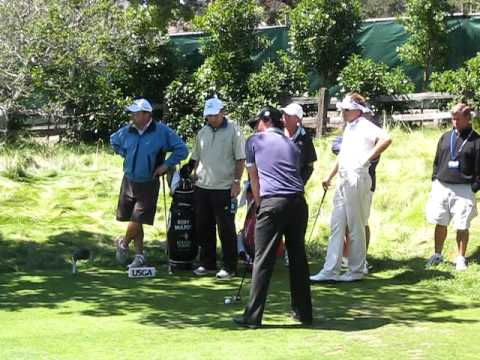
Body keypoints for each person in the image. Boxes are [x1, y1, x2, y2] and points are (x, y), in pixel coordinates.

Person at [233, 107, 312, 329]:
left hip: (272, 202)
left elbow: (255, 179)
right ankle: (304, 313)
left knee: (263, 259)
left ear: (266, 121)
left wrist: (258, 206)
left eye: (257, 121)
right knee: (297, 257)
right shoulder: (292, 144)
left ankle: (253, 316)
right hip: (298, 202)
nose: (256, 126)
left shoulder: (254, 141)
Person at [310, 93, 392, 282]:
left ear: (357, 110)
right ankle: (330, 270)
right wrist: (330, 175)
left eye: (346, 110)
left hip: (357, 178)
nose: (343, 113)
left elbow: (386, 138)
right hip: (343, 178)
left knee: (355, 226)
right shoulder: (350, 127)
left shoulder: (364, 124)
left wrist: (366, 158)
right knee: (337, 225)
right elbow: (343, 155)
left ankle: (356, 270)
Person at [111, 98, 188, 268]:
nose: (132, 117)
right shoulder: (128, 130)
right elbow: (113, 140)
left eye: (135, 113)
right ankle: (139, 256)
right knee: (134, 218)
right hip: (129, 180)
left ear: (147, 115)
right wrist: (126, 154)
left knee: (137, 218)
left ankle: (123, 243)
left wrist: (165, 165)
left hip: (149, 181)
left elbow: (182, 149)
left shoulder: (161, 131)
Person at [191, 97, 246, 279]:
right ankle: (208, 264)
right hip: (203, 186)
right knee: (204, 226)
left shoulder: (234, 132)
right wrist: (190, 171)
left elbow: (240, 159)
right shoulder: (202, 132)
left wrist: (237, 182)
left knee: (226, 228)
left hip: (224, 187)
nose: (212, 119)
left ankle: (230, 267)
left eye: (215, 115)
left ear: (222, 112)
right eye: (209, 116)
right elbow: (196, 157)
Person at [425, 103, 480, 271]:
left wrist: (474, 187)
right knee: (440, 222)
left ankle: (461, 258)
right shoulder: (445, 136)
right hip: (441, 186)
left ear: (468, 119)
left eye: (457, 119)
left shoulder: (476, 141)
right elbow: (436, 160)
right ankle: (437, 254)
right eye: (452, 118)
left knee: (462, 225)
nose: (454, 122)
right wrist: (435, 179)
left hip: (463, 189)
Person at [281, 102, 317, 266]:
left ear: (298, 119)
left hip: (295, 187)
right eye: (284, 115)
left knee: (294, 222)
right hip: (276, 184)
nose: (284, 118)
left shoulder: (304, 138)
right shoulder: (277, 133)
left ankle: (291, 253)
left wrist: (300, 183)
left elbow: (309, 166)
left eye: (288, 115)